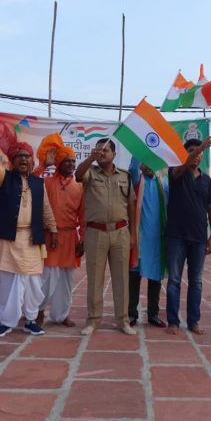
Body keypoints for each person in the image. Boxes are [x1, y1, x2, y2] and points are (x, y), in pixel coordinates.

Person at [0, 134, 57, 337]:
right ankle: (6, 322)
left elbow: (45, 208)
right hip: (9, 239)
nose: (24, 160)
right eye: (19, 157)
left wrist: (53, 229)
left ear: (31, 160)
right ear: (12, 160)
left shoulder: (37, 182)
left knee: (34, 283)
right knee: (9, 282)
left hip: (32, 239)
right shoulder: (3, 178)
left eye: (27, 157)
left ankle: (31, 319)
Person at [75, 138, 136, 336]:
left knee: (121, 279)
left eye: (105, 150)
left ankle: (123, 321)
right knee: (94, 279)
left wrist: (133, 234)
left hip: (120, 232)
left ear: (114, 154)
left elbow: (131, 206)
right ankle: (93, 321)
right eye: (99, 150)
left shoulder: (125, 176)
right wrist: (90, 158)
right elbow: (77, 175)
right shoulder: (90, 173)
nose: (102, 153)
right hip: (95, 233)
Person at [165, 136, 211, 335]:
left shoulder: (206, 180)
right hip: (176, 236)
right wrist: (201, 146)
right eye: (191, 150)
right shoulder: (175, 172)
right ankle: (173, 321)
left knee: (196, 282)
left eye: (199, 151)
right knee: (174, 280)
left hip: (198, 238)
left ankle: (193, 321)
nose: (196, 154)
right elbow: (181, 168)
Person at [39, 145, 84, 328]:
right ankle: (38, 312)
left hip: (70, 237)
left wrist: (83, 239)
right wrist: (43, 166)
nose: (71, 164)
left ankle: (62, 314)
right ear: (58, 163)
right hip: (50, 236)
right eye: (67, 160)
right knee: (46, 278)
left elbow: (84, 215)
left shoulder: (79, 186)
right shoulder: (47, 182)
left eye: (73, 161)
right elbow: (31, 184)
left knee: (66, 279)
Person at [128, 156, 168, 328]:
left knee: (155, 279)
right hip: (138, 238)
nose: (149, 166)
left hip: (157, 239)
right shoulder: (137, 181)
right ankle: (131, 314)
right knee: (133, 277)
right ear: (142, 165)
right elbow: (132, 169)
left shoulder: (163, 185)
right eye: (146, 162)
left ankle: (153, 314)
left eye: (153, 162)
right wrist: (139, 151)